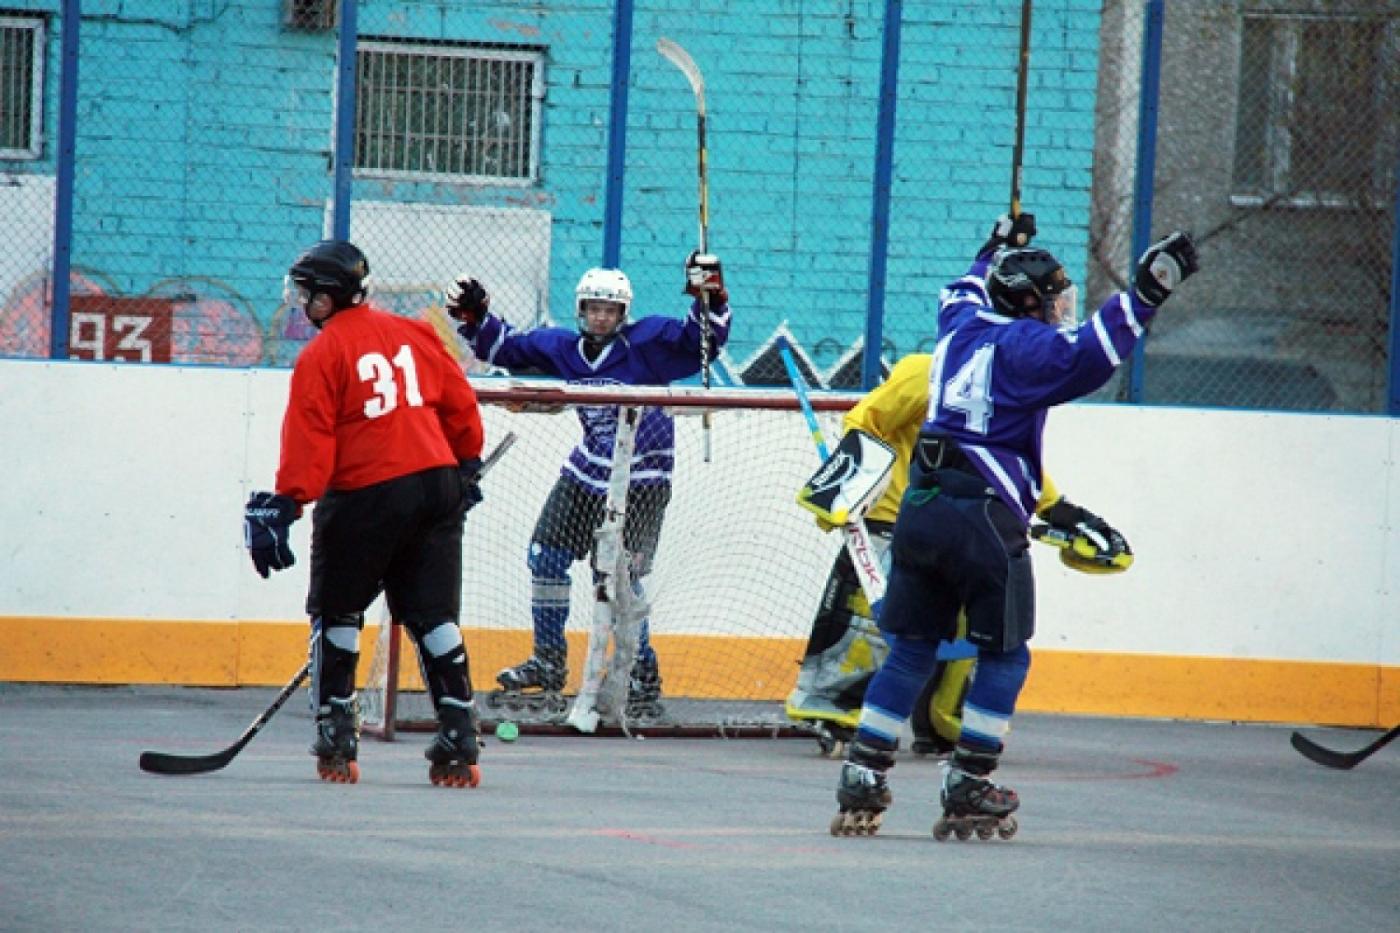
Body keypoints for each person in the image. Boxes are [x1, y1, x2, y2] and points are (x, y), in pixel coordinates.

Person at [823, 213, 1198, 838]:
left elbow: (961, 287)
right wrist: (1147, 292)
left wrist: (992, 247)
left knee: (913, 647)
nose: (1059, 308)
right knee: (1005, 653)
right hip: (984, 518)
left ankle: (864, 769)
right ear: (1027, 303)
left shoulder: (959, 326)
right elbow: (1092, 356)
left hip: (920, 510)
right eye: (1052, 298)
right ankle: (968, 778)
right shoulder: (1027, 348)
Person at [786, 338, 1132, 758]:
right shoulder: (924, 371)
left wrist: (1061, 510)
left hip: (966, 525)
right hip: (894, 518)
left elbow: (1008, 463)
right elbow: (865, 421)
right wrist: (848, 486)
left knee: (968, 627)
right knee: (870, 624)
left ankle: (942, 721)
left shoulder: (1005, 391)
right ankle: (834, 714)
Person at [243, 240, 488, 787]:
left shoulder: (323, 355)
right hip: (436, 486)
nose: (301, 303)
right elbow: (459, 404)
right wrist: (466, 464)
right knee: (433, 616)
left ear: (328, 298)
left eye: (307, 294)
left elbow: (310, 438)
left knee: (338, 611)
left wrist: (289, 501)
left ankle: (337, 728)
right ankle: (459, 729)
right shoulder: (415, 333)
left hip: (367, 493)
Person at [444, 252, 730, 719]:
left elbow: (704, 342)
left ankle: (641, 670)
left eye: (610, 309)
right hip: (590, 471)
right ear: (582, 309)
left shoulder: (649, 343)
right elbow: (508, 349)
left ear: (623, 313)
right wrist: (477, 317)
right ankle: (549, 662)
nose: (601, 315)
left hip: (643, 479)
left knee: (621, 578)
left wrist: (710, 295)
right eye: (594, 307)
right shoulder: (564, 348)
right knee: (546, 555)